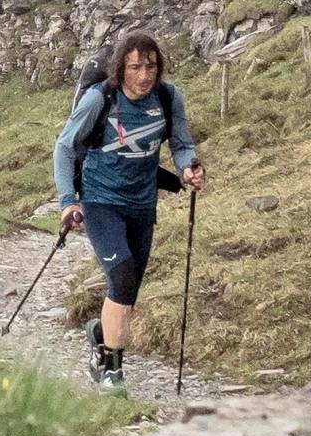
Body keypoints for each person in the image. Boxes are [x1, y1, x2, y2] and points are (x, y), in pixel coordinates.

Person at [53, 31, 201, 392]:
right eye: (135, 67)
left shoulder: (167, 97)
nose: (144, 75)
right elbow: (65, 147)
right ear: (121, 68)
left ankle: (100, 333)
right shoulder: (99, 99)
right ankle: (111, 370)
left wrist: (188, 168)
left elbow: (181, 143)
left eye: (151, 66)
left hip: (141, 203)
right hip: (100, 201)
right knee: (120, 276)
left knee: (128, 290)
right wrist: (67, 201)